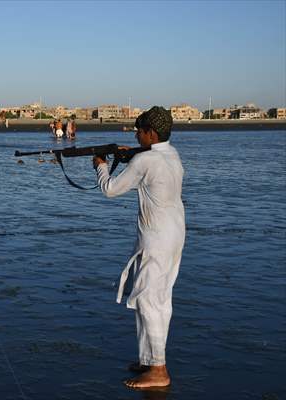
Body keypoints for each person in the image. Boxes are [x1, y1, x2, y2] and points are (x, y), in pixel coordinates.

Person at [92, 106, 184, 389]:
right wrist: (130, 153)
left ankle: (159, 370)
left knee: (147, 301)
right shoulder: (171, 154)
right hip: (174, 233)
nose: (135, 134)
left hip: (156, 238)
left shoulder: (146, 161)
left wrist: (101, 165)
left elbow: (110, 189)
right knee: (159, 299)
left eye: (139, 131)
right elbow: (150, 162)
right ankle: (149, 360)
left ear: (151, 133)